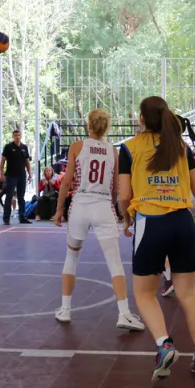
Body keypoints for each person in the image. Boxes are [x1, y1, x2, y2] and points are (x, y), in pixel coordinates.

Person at [119, 96, 195, 380]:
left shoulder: (129, 148)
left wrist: (126, 219)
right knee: (188, 294)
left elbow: (124, 196)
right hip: (182, 222)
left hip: (150, 222)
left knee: (144, 293)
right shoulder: (180, 147)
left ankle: (164, 344)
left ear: (142, 119)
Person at [53, 110, 144, 331]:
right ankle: (124, 313)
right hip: (103, 205)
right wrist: (115, 210)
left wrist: (59, 210)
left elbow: (66, 182)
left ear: (89, 125)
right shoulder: (113, 151)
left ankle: (65, 309)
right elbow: (115, 187)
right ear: (106, 127)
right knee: (115, 263)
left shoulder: (77, 147)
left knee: (71, 257)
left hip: (80, 205)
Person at [0, 129, 33, 226]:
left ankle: (22, 217)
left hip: (22, 175)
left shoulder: (24, 147)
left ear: (21, 136)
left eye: (19, 135)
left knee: (21, 197)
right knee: (9, 196)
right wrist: (2, 175)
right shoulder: (8, 147)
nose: (17, 137)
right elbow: (2, 162)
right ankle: (6, 218)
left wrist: (30, 174)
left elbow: (27, 162)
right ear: (13, 137)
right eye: (15, 135)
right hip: (11, 176)